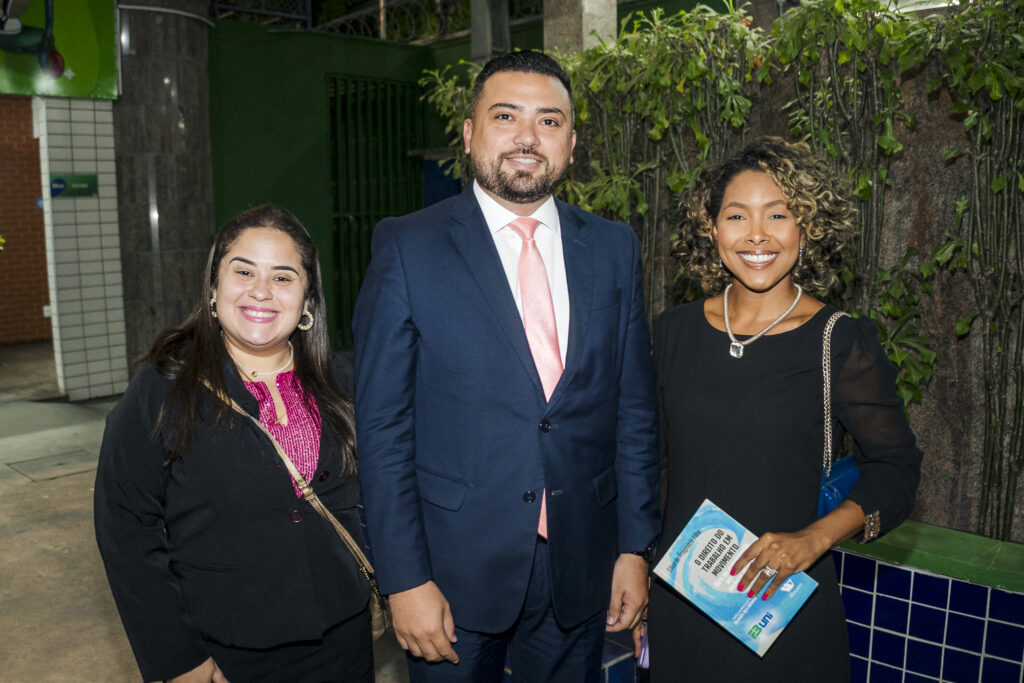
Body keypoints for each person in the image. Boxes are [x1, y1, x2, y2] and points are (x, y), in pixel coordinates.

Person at [352, 50, 660, 682]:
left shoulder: (612, 247)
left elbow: (632, 410)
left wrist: (633, 547)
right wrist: (404, 579)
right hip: (453, 569)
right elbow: (382, 430)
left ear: (571, 144)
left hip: (580, 562)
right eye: (505, 116)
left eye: (549, 121)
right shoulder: (407, 247)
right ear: (469, 134)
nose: (527, 137)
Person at [647, 137, 922, 681]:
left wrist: (812, 540)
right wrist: (634, 569)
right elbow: (652, 467)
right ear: (712, 229)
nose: (756, 234)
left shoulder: (840, 341)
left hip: (783, 609)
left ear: (806, 228)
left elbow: (897, 468)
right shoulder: (672, 331)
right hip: (683, 603)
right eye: (736, 216)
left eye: (778, 215)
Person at [94, 205, 373, 682]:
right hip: (224, 655)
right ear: (213, 288)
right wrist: (178, 658)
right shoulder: (165, 385)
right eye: (243, 271)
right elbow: (126, 528)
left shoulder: (343, 382)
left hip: (343, 640)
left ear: (307, 301)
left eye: (283, 277)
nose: (261, 291)